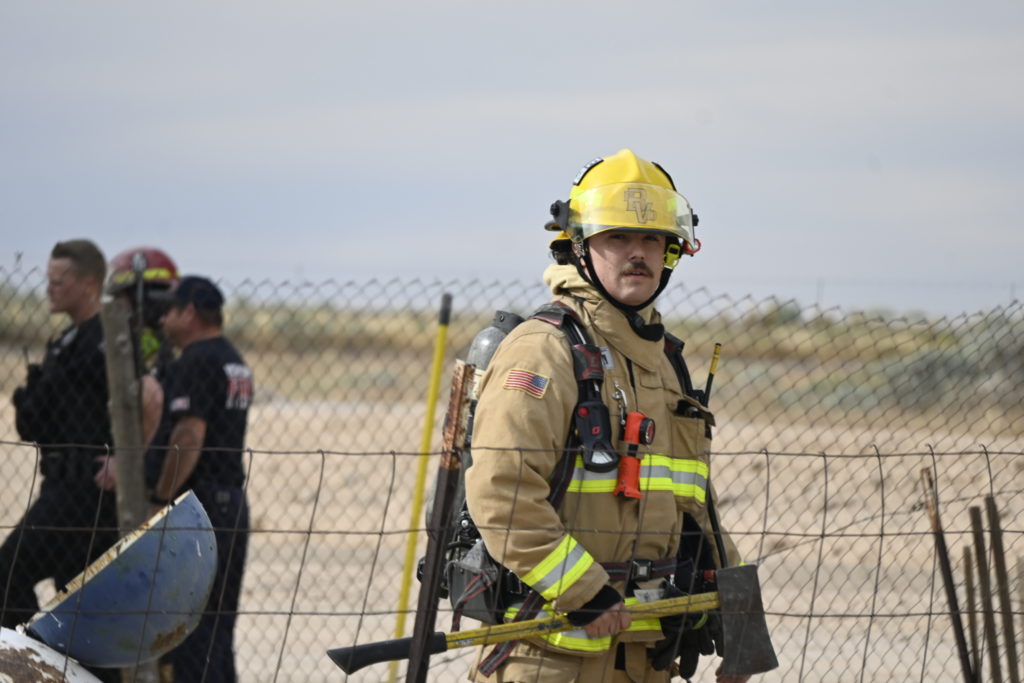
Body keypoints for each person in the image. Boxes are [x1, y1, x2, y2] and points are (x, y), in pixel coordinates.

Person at [464, 150, 750, 682]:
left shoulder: (663, 362)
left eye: (652, 240)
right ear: (577, 246)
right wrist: (584, 591)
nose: (638, 253)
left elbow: (696, 503)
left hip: (645, 657)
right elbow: (502, 493)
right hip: (548, 656)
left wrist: (741, 621)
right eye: (617, 237)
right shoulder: (544, 350)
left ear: (672, 250)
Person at [2, 240, 121, 683]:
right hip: (59, 481)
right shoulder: (66, 342)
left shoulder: (109, 340)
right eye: (48, 279)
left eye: (59, 280)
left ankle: (38, 665)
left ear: (89, 284)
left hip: (86, 490)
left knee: (6, 573)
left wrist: (125, 461)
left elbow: (145, 403)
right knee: (79, 612)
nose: (49, 288)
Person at [147, 275, 253, 682]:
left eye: (170, 311)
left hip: (201, 506)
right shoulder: (233, 359)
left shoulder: (197, 360)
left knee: (191, 631)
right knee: (218, 629)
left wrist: (161, 497)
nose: (163, 320)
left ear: (189, 313)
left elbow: (189, 436)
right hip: (231, 502)